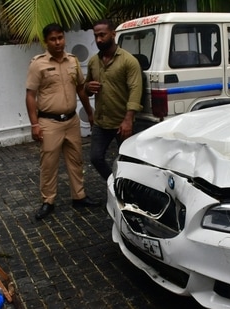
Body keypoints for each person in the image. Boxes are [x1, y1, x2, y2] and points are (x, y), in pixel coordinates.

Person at [25, 23, 99, 220]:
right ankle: (48, 201)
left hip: (71, 121)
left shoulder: (73, 62)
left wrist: (90, 114)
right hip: (49, 123)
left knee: (76, 160)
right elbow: (31, 95)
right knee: (49, 163)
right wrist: (34, 124)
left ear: (64, 38)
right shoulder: (37, 64)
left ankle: (79, 196)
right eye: (53, 39)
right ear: (46, 41)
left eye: (60, 38)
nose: (57, 42)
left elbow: (81, 89)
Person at [85, 19, 143, 180]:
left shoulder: (128, 61)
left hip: (121, 123)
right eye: (96, 36)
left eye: (102, 35)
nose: (98, 39)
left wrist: (128, 120)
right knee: (95, 158)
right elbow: (86, 87)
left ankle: (131, 193)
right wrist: (88, 87)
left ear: (113, 34)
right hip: (101, 123)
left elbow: (135, 90)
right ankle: (114, 184)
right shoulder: (93, 62)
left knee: (129, 162)